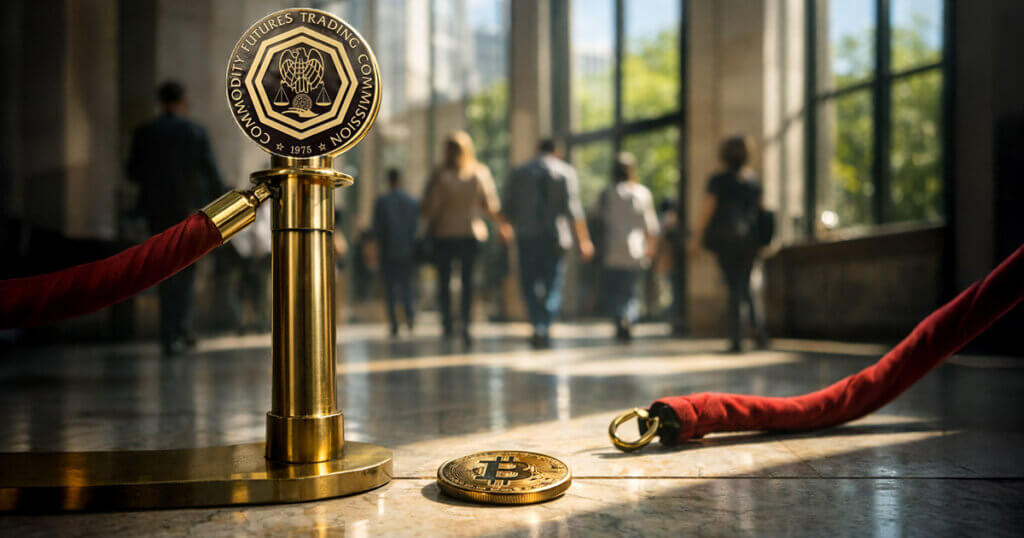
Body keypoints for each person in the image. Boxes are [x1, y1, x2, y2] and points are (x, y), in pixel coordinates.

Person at [127, 81, 225, 356]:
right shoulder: (194, 132)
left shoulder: (145, 132)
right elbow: (211, 173)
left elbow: (132, 172)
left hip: (156, 210)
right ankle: (181, 329)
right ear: (182, 100)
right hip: (187, 209)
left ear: (160, 101)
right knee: (187, 269)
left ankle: (167, 332)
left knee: (161, 268)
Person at [421, 131, 511, 344]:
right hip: (471, 233)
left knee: (444, 281)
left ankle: (447, 323)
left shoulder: (439, 175)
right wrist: (502, 225)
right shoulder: (479, 173)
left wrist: (427, 222)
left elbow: (431, 207)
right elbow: (490, 205)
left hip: (444, 233)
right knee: (468, 281)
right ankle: (466, 323)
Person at [504, 138, 594, 347]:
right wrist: (584, 240)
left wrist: (506, 229)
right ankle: (545, 324)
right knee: (553, 283)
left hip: (527, 236)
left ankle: (537, 323)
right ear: (557, 151)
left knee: (529, 283)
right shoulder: (566, 172)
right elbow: (574, 210)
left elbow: (508, 207)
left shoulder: (519, 172)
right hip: (555, 237)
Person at [691, 135, 769, 352]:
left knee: (735, 287)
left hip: (726, 241)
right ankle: (758, 331)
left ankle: (737, 337)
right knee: (746, 285)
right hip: (750, 241)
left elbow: (706, 211)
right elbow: (762, 211)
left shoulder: (718, 181)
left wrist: (696, 240)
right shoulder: (753, 181)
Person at [596, 153, 660, 341]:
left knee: (614, 289)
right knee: (631, 290)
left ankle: (619, 320)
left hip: (611, 249)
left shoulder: (606, 193)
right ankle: (629, 317)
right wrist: (651, 248)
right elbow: (652, 226)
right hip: (635, 250)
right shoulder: (642, 193)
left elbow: (596, 219)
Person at [373, 168, 419, 336]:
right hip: (407, 250)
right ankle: (410, 316)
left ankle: (394, 322)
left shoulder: (382, 202)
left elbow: (377, 229)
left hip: (388, 251)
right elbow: (416, 227)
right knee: (407, 285)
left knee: (391, 288)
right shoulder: (412, 202)